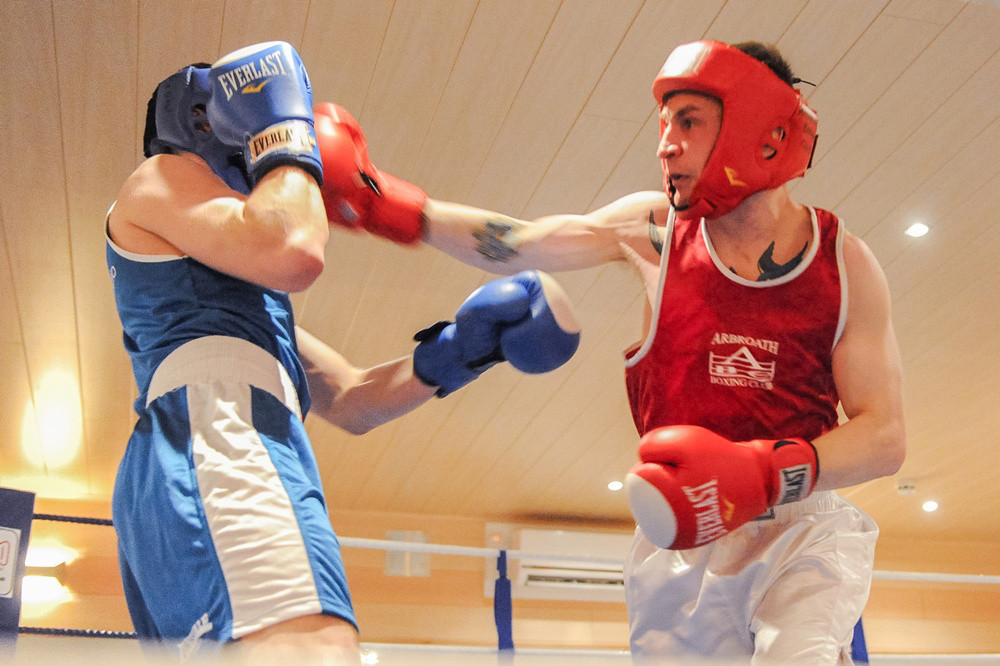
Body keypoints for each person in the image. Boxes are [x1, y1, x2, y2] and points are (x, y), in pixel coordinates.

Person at [314, 39, 906, 663]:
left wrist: (760, 473)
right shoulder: (654, 231)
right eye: (664, 122)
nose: (665, 143)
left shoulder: (842, 262)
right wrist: (390, 208)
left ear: (761, 128)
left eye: (689, 120)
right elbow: (520, 243)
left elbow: (885, 437)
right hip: (680, 539)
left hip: (799, 523)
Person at [105, 41, 580, 660]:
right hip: (215, 429)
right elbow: (295, 250)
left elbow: (352, 400)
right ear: (198, 122)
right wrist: (282, 134)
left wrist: (464, 350)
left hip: (209, 441)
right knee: (311, 649)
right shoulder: (157, 178)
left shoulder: (224, 307)